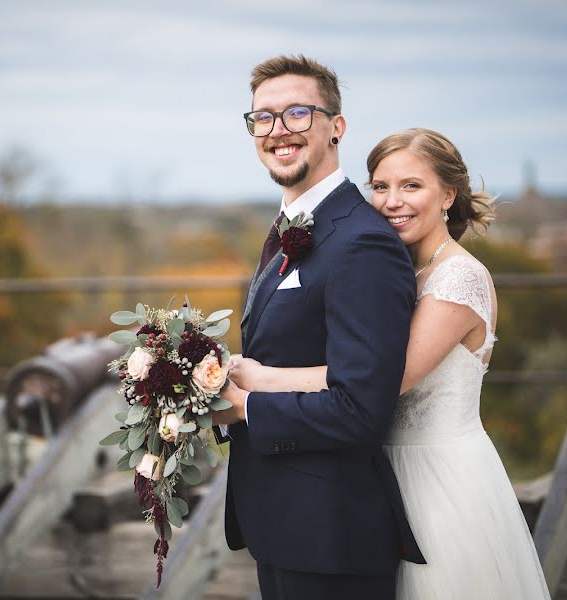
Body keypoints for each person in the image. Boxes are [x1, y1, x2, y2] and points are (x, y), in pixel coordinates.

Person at [228, 127, 551, 599]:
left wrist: (259, 382)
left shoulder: (459, 279)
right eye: (380, 187)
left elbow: (382, 380)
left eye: (411, 186)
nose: (392, 201)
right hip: (375, 470)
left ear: (448, 194)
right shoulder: (385, 265)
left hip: (438, 478)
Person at [213, 55, 424, 600]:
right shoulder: (296, 227)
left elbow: (360, 408)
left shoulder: (362, 242)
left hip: (333, 539)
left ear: (337, 126)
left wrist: (242, 408)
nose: (278, 131)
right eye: (263, 118)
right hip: (283, 527)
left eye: (298, 113)